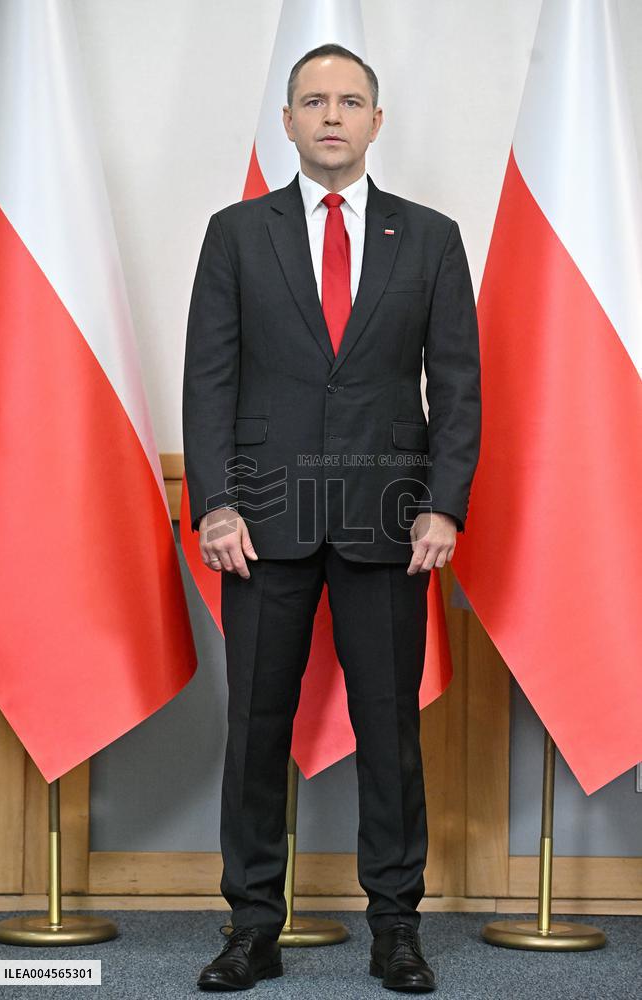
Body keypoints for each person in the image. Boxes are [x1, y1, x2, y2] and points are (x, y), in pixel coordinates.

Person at [183, 43, 481, 993]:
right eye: (313, 101)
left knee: (388, 732)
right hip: (260, 522)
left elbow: (458, 386)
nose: (331, 116)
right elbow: (208, 378)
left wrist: (443, 506)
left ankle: (396, 927)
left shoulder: (429, 237)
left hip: (389, 520)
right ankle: (250, 928)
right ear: (288, 121)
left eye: (349, 101)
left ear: (375, 122)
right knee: (255, 731)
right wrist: (215, 504)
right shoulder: (236, 233)